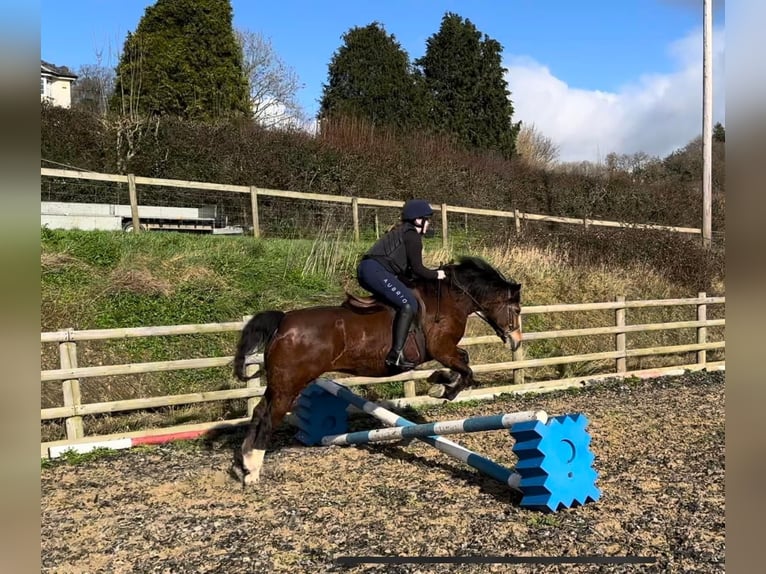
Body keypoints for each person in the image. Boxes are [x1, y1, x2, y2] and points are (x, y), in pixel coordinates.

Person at [357, 199, 446, 371]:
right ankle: (395, 355)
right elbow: (419, 269)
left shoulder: (403, 232)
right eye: (427, 219)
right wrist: (438, 274)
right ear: (418, 220)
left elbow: (410, 272)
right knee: (408, 303)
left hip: (372, 269)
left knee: (403, 298)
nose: (429, 223)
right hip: (375, 271)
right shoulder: (412, 236)